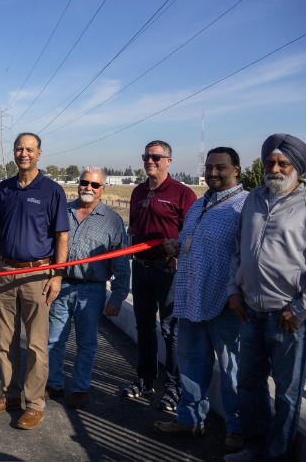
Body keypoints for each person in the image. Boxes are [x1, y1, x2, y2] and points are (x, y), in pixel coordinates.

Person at [224, 134, 306, 462]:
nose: (275, 169)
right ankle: (254, 448)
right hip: (250, 310)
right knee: (249, 384)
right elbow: (238, 249)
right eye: (270, 163)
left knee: (287, 395)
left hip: (287, 316)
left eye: (283, 163)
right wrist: (233, 292)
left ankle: (276, 456)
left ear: (297, 168)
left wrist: (300, 308)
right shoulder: (254, 199)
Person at [152, 148, 247, 452]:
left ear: (237, 170)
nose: (213, 173)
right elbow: (194, 241)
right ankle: (190, 419)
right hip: (192, 297)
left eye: (221, 167)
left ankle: (237, 428)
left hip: (226, 302)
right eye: (209, 168)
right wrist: (177, 246)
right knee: (191, 365)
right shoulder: (200, 203)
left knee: (233, 369)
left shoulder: (244, 206)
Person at [0, 132, 69, 430]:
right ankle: (9, 396)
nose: (24, 154)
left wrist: (57, 275)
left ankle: (34, 404)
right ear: (13, 152)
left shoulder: (52, 191)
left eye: (29, 149)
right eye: (19, 148)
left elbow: (61, 236)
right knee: (4, 342)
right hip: (4, 272)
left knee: (36, 345)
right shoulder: (4, 189)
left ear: (39, 154)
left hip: (37, 274)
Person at [46, 166, 130, 409]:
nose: (88, 188)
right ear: (78, 184)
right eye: (85, 183)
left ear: (103, 189)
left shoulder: (113, 221)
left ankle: (81, 387)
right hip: (61, 284)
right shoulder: (63, 212)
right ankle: (54, 383)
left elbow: (121, 262)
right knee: (55, 339)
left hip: (91, 290)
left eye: (95, 185)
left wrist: (117, 296)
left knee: (86, 343)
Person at [122, 140, 197, 412]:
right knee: (144, 327)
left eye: (155, 157)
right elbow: (133, 227)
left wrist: (176, 248)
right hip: (140, 268)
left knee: (171, 331)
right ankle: (144, 380)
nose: (149, 161)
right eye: (146, 157)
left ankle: (174, 388)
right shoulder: (138, 192)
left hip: (169, 271)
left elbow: (191, 235)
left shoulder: (183, 194)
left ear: (168, 160)